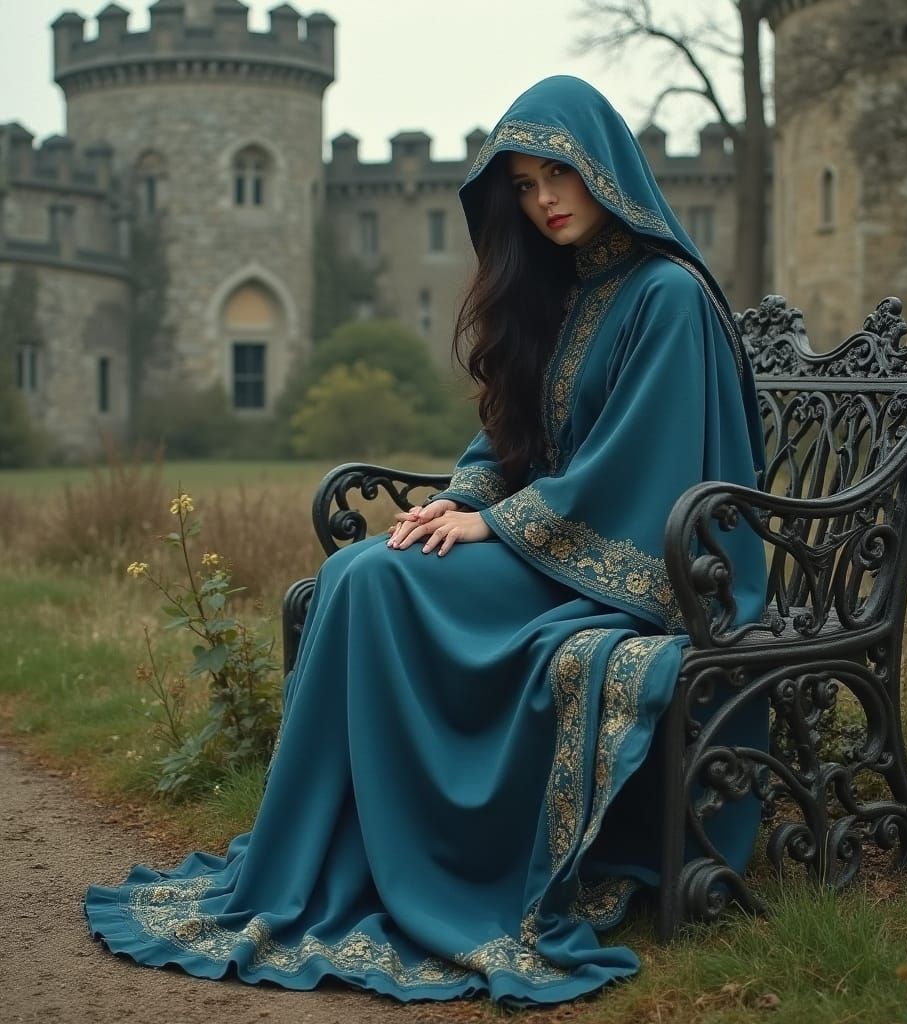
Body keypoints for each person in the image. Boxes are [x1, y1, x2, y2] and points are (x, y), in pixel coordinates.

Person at [83, 75, 768, 1006]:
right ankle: (326, 861)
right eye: (523, 186)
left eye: (557, 175)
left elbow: (638, 470)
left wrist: (494, 523)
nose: (545, 201)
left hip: (632, 571)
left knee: (371, 583)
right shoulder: (565, 294)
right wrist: (466, 494)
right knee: (366, 567)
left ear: (605, 168)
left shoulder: (668, 296)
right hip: (552, 552)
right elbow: (507, 436)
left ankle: (399, 863)